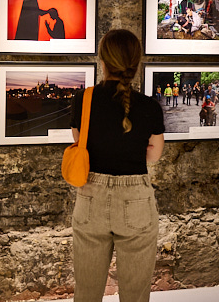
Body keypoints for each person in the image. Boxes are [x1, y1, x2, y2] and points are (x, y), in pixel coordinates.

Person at [69, 29, 165, 302]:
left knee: (86, 293)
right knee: (135, 295)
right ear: (136, 63)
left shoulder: (84, 99)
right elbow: (154, 154)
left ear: (102, 60)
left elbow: (81, 143)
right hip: (135, 197)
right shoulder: (149, 107)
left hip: (91, 197)